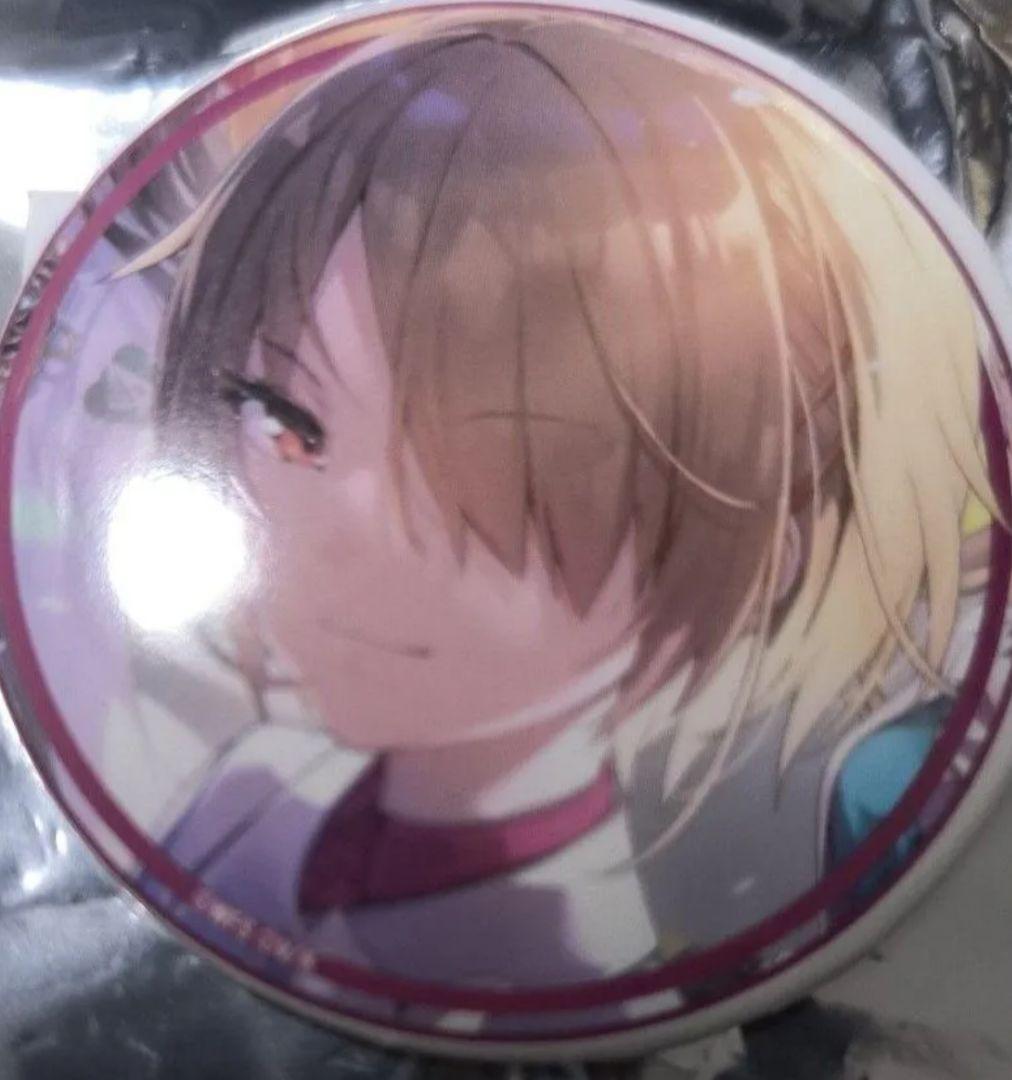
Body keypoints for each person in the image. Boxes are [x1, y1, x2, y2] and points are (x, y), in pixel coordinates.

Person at [115, 13, 1002, 988]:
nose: (336, 533)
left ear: (758, 539)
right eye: (286, 424)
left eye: (478, 462)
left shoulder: (575, 948)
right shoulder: (255, 793)